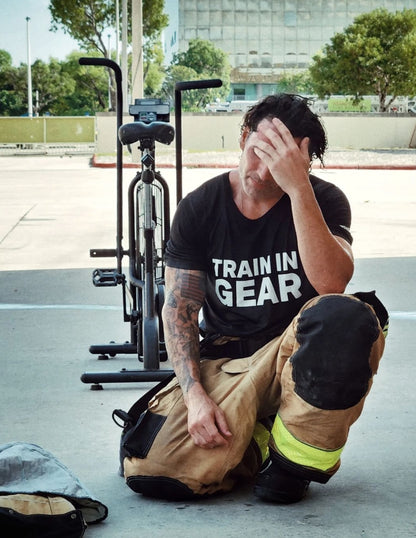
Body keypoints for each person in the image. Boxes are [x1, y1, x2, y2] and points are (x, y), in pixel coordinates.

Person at [124, 94, 387, 503]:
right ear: (244, 137)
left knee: (347, 317)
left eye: (280, 163)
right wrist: (195, 398)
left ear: (304, 164)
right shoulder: (200, 207)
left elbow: (332, 283)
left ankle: (290, 466)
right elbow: (179, 312)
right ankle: (258, 437)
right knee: (155, 471)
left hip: (296, 355)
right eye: (257, 153)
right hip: (229, 363)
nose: (263, 173)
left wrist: (298, 187)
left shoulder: (324, 199)